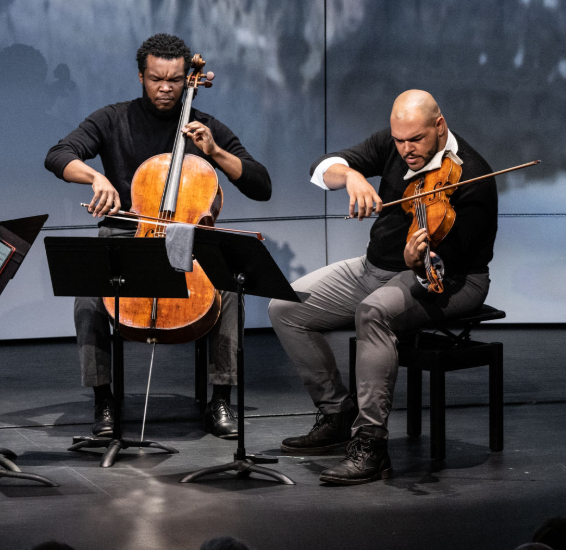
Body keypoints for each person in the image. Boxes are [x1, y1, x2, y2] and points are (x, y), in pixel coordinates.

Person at [44, 33, 272, 438]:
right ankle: (103, 400)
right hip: (128, 233)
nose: (165, 87)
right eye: (156, 79)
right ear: (141, 77)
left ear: (189, 79)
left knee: (230, 285)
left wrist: (215, 152)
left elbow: (261, 185)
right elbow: (58, 155)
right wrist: (97, 177)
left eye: (175, 79)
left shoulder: (206, 128)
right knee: (87, 295)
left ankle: (220, 398)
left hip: (186, 240)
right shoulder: (113, 118)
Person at [268, 89, 497, 485]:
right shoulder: (393, 144)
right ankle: (337, 413)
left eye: (417, 140)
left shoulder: (475, 177)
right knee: (285, 307)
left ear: (439, 127)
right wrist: (352, 176)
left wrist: (418, 263)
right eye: (399, 140)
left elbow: (449, 268)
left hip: (453, 279)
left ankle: (371, 445)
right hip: (374, 268)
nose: (406, 149)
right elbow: (321, 167)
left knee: (373, 312)